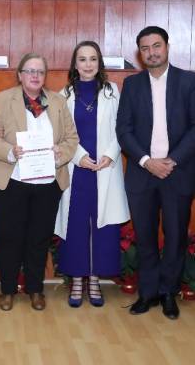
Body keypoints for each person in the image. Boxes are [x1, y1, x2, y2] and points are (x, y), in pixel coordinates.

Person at [116, 26, 195, 320]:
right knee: (145, 237)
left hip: (178, 172)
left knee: (175, 236)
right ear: (139, 54)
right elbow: (123, 130)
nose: (151, 52)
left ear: (167, 46)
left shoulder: (189, 81)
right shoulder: (131, 85)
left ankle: (168, 293)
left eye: (156, 46)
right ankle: (148, 292)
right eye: (145, 48)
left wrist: (171, 160)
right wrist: (146, 161)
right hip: (142, 173)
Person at [0, 53, 78, 312]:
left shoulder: (58, 101)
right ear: (20, 75)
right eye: (30, 71)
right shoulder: (4, 99)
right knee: (9, 237)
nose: (35, 76)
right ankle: (7, 290)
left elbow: (72, 138)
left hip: (47, 182)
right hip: (11, 180)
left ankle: (35, 289)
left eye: (40, 71)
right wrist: (11, 151)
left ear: (45, 76)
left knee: (39, 238)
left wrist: (61, 153)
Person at [55, 41, 130, 308]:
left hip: (105, 167)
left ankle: (95, 279)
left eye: (93, 59)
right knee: (75, 224)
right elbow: (59, 133)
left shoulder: (112, 91)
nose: (88, 64)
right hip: (77, 168)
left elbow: (123, 126)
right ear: (75, 65)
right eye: (82, 59)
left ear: (99, 63)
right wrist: (79, 157)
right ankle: (77, 280)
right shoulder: (63, 95)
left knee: (103, 227)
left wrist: (110, 154)